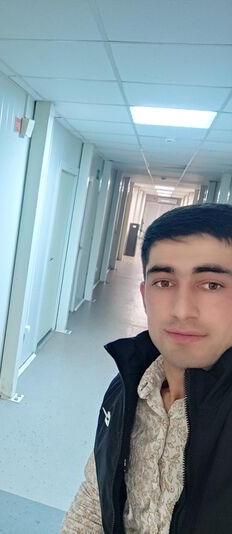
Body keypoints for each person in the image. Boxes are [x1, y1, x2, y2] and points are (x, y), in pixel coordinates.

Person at [61, 202, 232, 534]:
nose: (182, 310)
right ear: (144, 295)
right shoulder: (126, 387)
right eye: (164, 282)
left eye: (211, 284)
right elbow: (95, 498)